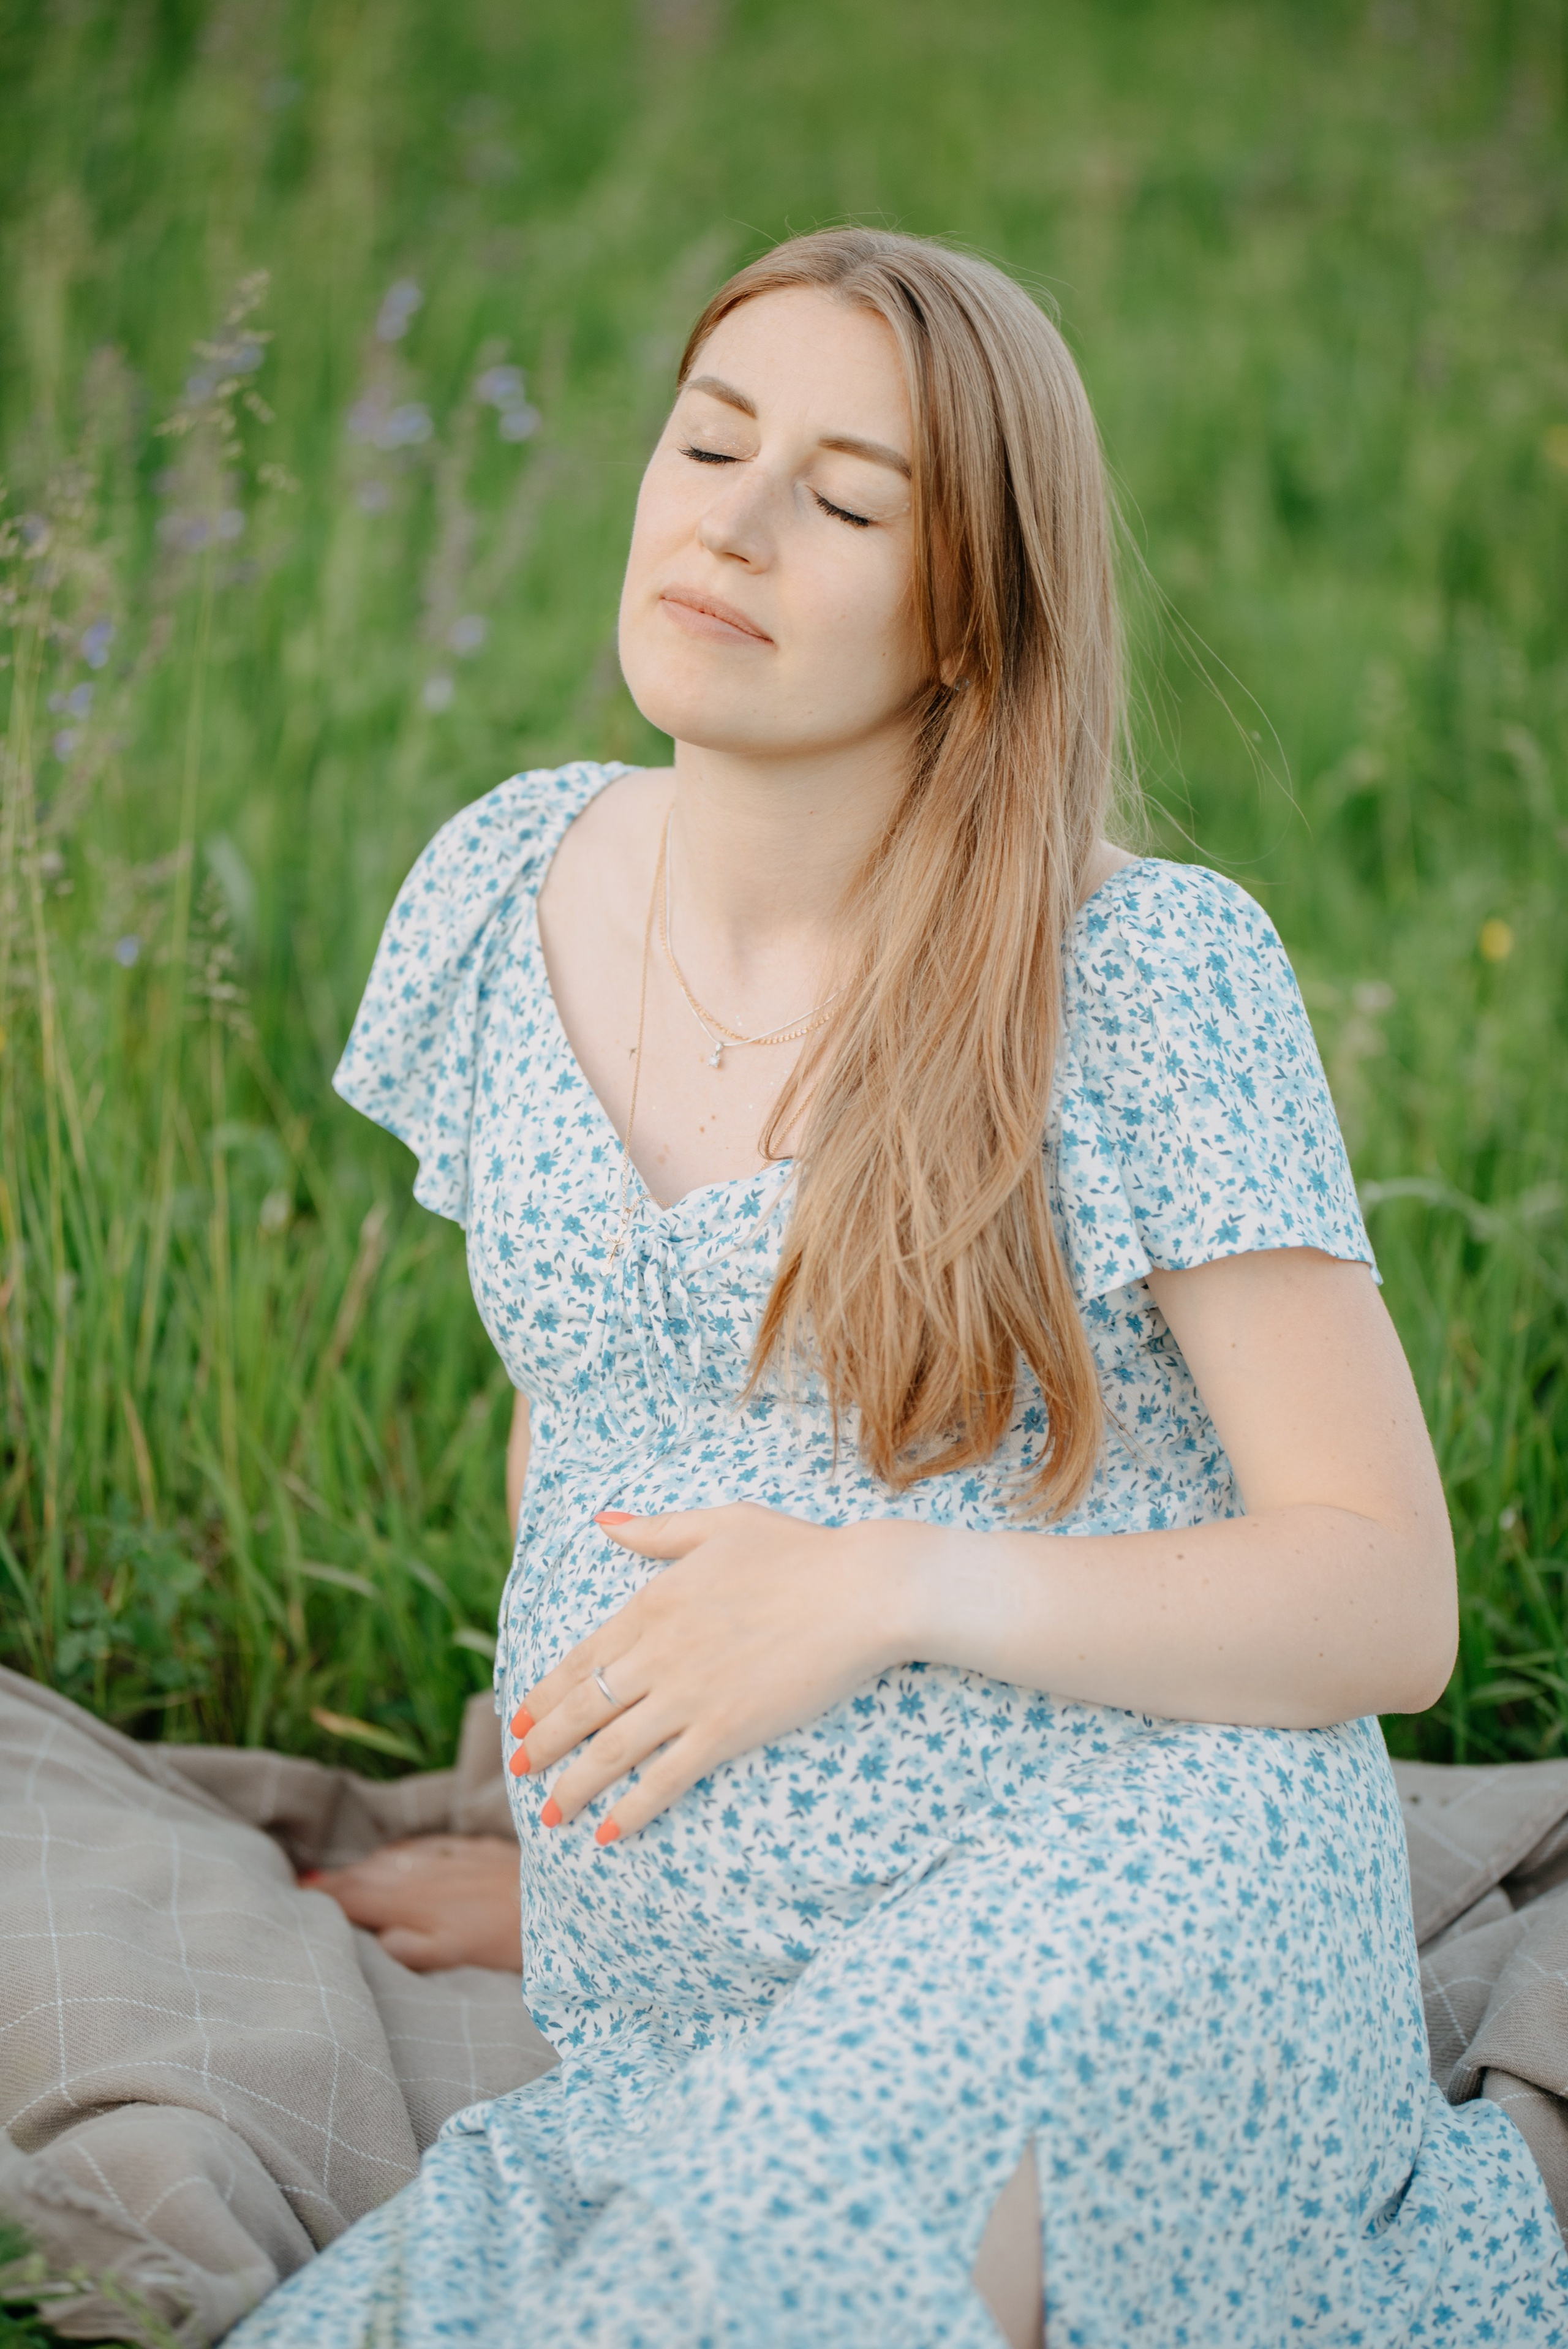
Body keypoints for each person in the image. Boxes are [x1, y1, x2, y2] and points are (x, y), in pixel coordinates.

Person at [233, 228, 1568, 2348]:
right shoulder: (509, 879)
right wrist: (567, 1842)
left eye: (847, 501)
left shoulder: (1139, 971)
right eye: (709, 442)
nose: (736, 525)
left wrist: (884, 1585)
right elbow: (583, 1390)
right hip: (693, 1991)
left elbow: (1389, 1596)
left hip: (1135, 1873)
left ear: (969, 614)